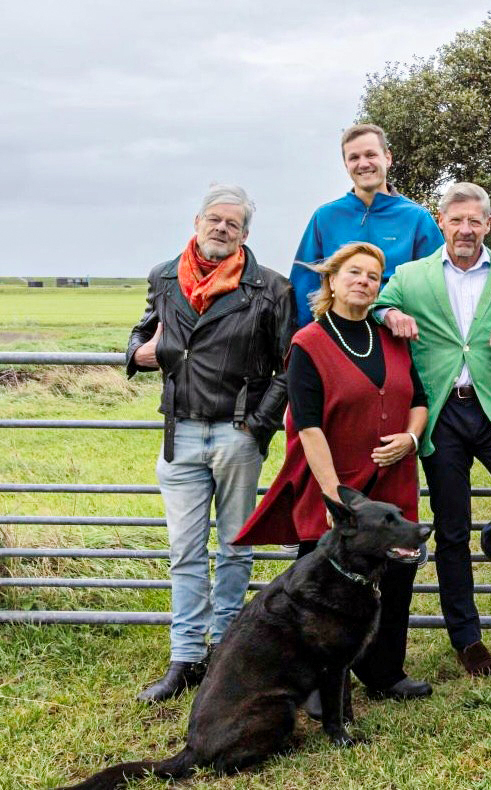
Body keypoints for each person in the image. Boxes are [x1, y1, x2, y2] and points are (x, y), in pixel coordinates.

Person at [233, 241, 432, 703]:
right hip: (336, 484)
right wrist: (334, 497)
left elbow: (419, 400)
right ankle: (317, 685)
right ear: (332, 281)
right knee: (322, 587)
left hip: (392, 481)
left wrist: (411, 438)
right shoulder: (309, 343)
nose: (364, 281)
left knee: (396, 577)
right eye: (354, 273)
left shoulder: (391, 338)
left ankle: (385, 673)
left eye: (373, 276)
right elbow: (308, 426)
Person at [125, 184, 294, 702]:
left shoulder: (271, 288)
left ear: (245, 234)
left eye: (232, 223)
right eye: (214, 219)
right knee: (185, 550)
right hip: (179, 431)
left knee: (236, 547)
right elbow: (143, 332)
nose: (222, 228)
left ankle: (224, 649)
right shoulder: (164, 277)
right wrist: (138, 354)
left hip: (236, 432)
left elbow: (289, 366)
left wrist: (258, 425)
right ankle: (185, 657)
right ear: (197, 222)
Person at [375, 182, 491, 676]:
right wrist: (393, 314)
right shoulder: (411, 275)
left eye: (475, 221)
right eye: (456, 220)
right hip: (440, 412)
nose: (466, 229)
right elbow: (377, 306)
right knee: (452, 530)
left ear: (488, 224)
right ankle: (467, 639)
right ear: (442, 224)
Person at [289, 123, 444, 329]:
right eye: (354, 157)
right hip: (339, 334)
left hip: (395, 336)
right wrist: (304, 338)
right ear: (346, 164)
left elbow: (438, 287)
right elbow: (303, 286)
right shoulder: (325, 217)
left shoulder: (417, 218)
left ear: (387, 158)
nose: (363, 164)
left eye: (371, 155)